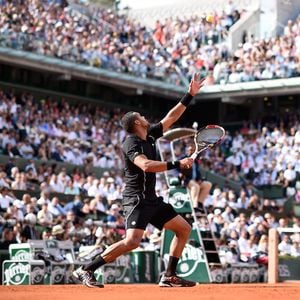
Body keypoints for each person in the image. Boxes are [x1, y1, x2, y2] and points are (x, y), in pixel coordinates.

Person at [73, 74, 205, 288]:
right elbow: (145, 165)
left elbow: (171, 117)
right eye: (141, 116)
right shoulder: (131, 143)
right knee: (132, 242)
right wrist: (177, 164)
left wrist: (189, 95)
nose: (146, 117)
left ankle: (169, 275)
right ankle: (86, 269)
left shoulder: (150, 135)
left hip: (151, 199)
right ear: (137, 122)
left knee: (184, 229)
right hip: (136, 200)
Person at [180, 145, 212, 212]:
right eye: (190, 150)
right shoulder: (183, 159)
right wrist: (180, 175)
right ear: (187, 151)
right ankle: (194, 206)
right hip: (187, 180)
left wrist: (200, 179)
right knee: (195, 186)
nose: (191, 152)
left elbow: (197, 172)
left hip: (195, 180)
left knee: (208, 184)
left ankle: (200, 203)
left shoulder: (195, 161)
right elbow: (177, 169)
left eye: (192, 150)